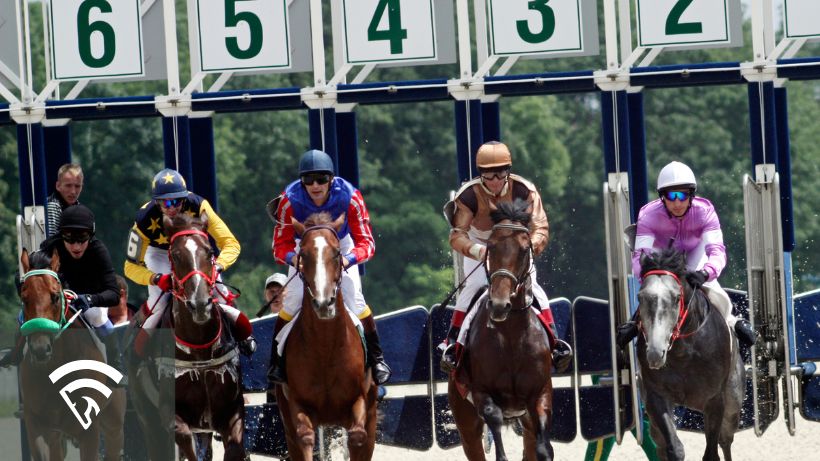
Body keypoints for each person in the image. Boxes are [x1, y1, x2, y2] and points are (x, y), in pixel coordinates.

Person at [439, 141, 573, 372]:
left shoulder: (524, 190)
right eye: (487, 175)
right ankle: (452, 343)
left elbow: (541, 227)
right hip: (481, 244)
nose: (493, 181)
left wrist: (525, 247)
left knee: (533, 284)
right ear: (480, 173)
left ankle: (554, 341)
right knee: (475, 285)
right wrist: (478, 251)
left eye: (499, 174)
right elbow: (457, 235)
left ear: (508, 170)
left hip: (514, 245)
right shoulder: (469, 195)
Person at [267, 149, 391, 385]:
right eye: (308, 180)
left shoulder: (350, 197)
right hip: (303, 247)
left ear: (331, 179)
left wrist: (347, 260)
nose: (315, 185)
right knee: (292, 300)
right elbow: (279, 245)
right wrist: (295, 259)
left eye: (321, 179)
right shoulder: (288, 200)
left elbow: (366, 242)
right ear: (301, 181)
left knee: (354, 298)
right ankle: (275, 362)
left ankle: (377, 359)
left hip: (340, 246)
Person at [616, 161, 758, 348]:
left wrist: (706, 272)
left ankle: (731, 320)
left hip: (695, 252)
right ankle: (636, 321)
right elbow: (640, 257)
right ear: (662, 197)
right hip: (663, 256)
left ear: (691, 195)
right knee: (655, 289)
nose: (677, 202)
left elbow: (716, 250)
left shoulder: (705, 211)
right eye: (671, 195)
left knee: (710, 286)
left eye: (682, 195)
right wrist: (650, 275)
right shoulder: (648, 215)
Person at [124, 168, 256, 356]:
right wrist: (155, 278)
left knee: (221, 292)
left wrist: (218, 266)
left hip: (193, 251)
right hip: (159, 254)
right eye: (166, 203)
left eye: (177, 201)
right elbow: (129, 267)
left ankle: (244, 339)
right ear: (156, 202)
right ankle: (137, 356)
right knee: (158, 303)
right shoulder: (144, 220)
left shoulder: (200, 206)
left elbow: (230, 243)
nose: (172, 208)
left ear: (185, 198)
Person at [0, 205, 128, 385]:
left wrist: (90, 299)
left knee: (97, 316)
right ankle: (16, 353)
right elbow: (22, 275)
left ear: (90, 236)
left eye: (82, 238)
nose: (76, 246)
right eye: (69, 238)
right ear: (62, 235)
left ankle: (116, 366)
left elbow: (113, 294)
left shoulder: (99, 251)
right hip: (58, 296)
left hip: (91, 297)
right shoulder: (50, 247)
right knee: (24, 315)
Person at [46, 163, 84, 237]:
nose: (73, 191)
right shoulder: (53, 206)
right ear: (58, 186)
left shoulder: (79, 208)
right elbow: (50, 242)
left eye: (77, 186)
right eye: (68, 186)